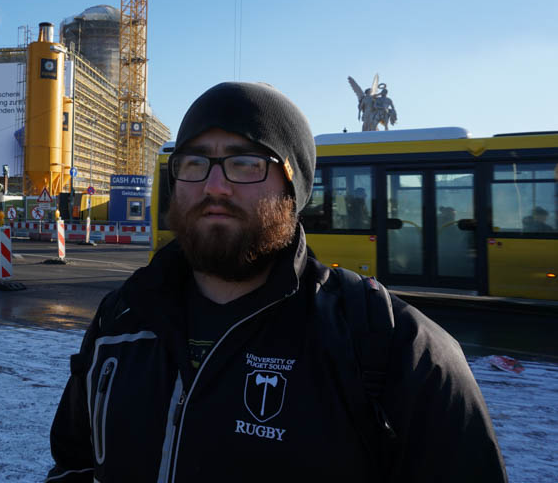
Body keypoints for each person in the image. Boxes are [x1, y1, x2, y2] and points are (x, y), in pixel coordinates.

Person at [47, 82, 506, 482]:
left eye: (245, 163)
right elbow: (73, 466)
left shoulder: (392, 347)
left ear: (294, 189)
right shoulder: (120, 323)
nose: (214, 186)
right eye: (194, 163)